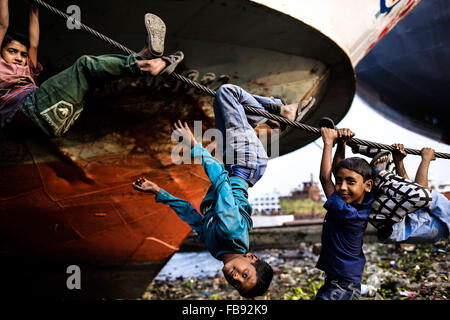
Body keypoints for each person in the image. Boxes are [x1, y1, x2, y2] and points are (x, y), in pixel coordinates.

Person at [133, 84, 314, 298]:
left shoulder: (216, 248)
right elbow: (220, 180)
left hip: (235, 163)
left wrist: (158, 192)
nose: (236, 278)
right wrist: (194, 145)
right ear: (252, 258)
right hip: (245, 162)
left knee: (225, 106)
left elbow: (191, 215)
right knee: (227, 93)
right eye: (245, 275)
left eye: (237, 285)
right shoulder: (231, 231)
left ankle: (271, 117)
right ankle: (281, 110)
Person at [0, 0, 183, 136]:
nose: (18, 57)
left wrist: (34, 9)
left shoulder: (27, 70)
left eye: (22, 55)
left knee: (96, 77)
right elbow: (3, 25)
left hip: (56, 119)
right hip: (28, 109)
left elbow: (33, 44)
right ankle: (146, 64)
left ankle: (142, 57)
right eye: (12, 51)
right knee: (85, 65)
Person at [315, 125, 374, 300]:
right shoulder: (363, 204)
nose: (341, 187)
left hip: (343, 283)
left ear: (368, 185)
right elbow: (336, 172)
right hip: (343, 279)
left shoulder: (349, 213)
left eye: (350, 182)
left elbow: (325, 178)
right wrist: (341, 144)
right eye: (339, 181)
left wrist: (328, 143)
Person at [356, 143, 450, 243]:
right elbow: (410, 190)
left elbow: (422, 190)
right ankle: (353, 144)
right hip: (390, 221)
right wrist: (399, 162)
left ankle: (378, 174)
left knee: (387, 156)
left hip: (391, 222)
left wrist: (426, 159)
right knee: (389, 155)